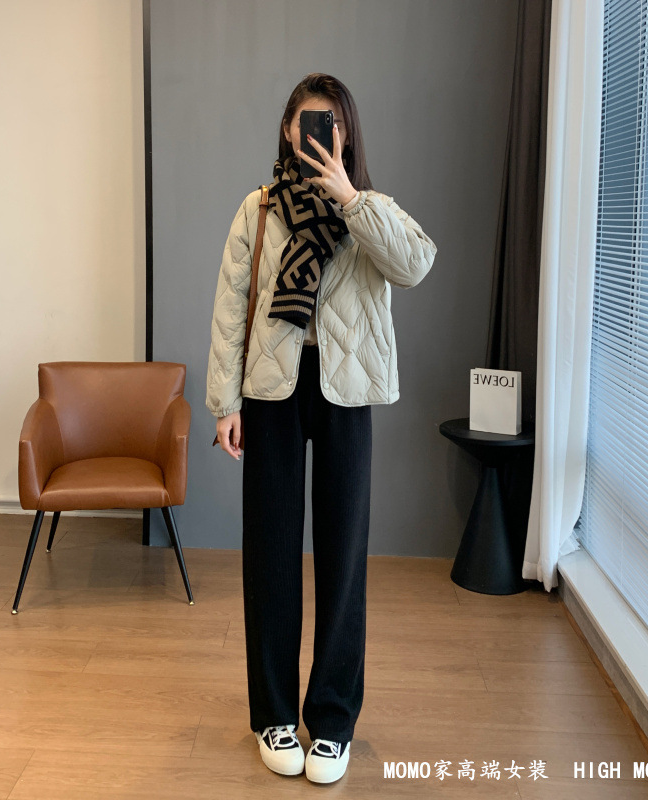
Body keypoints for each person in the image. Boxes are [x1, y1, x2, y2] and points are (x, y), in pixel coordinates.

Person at [205, 73, 437, 784]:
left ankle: (332, 721)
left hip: (345, 389)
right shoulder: (259, 208)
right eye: (308, 123)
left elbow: (416, 264)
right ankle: (274, 714)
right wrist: (224, 404)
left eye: (332, 124)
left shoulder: (370, 207)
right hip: (271, 387)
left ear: (347, 133)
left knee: (343, 559)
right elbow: (231, 304)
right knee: (271, 556)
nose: (318, 135)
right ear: (287, 130)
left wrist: (350, 198)